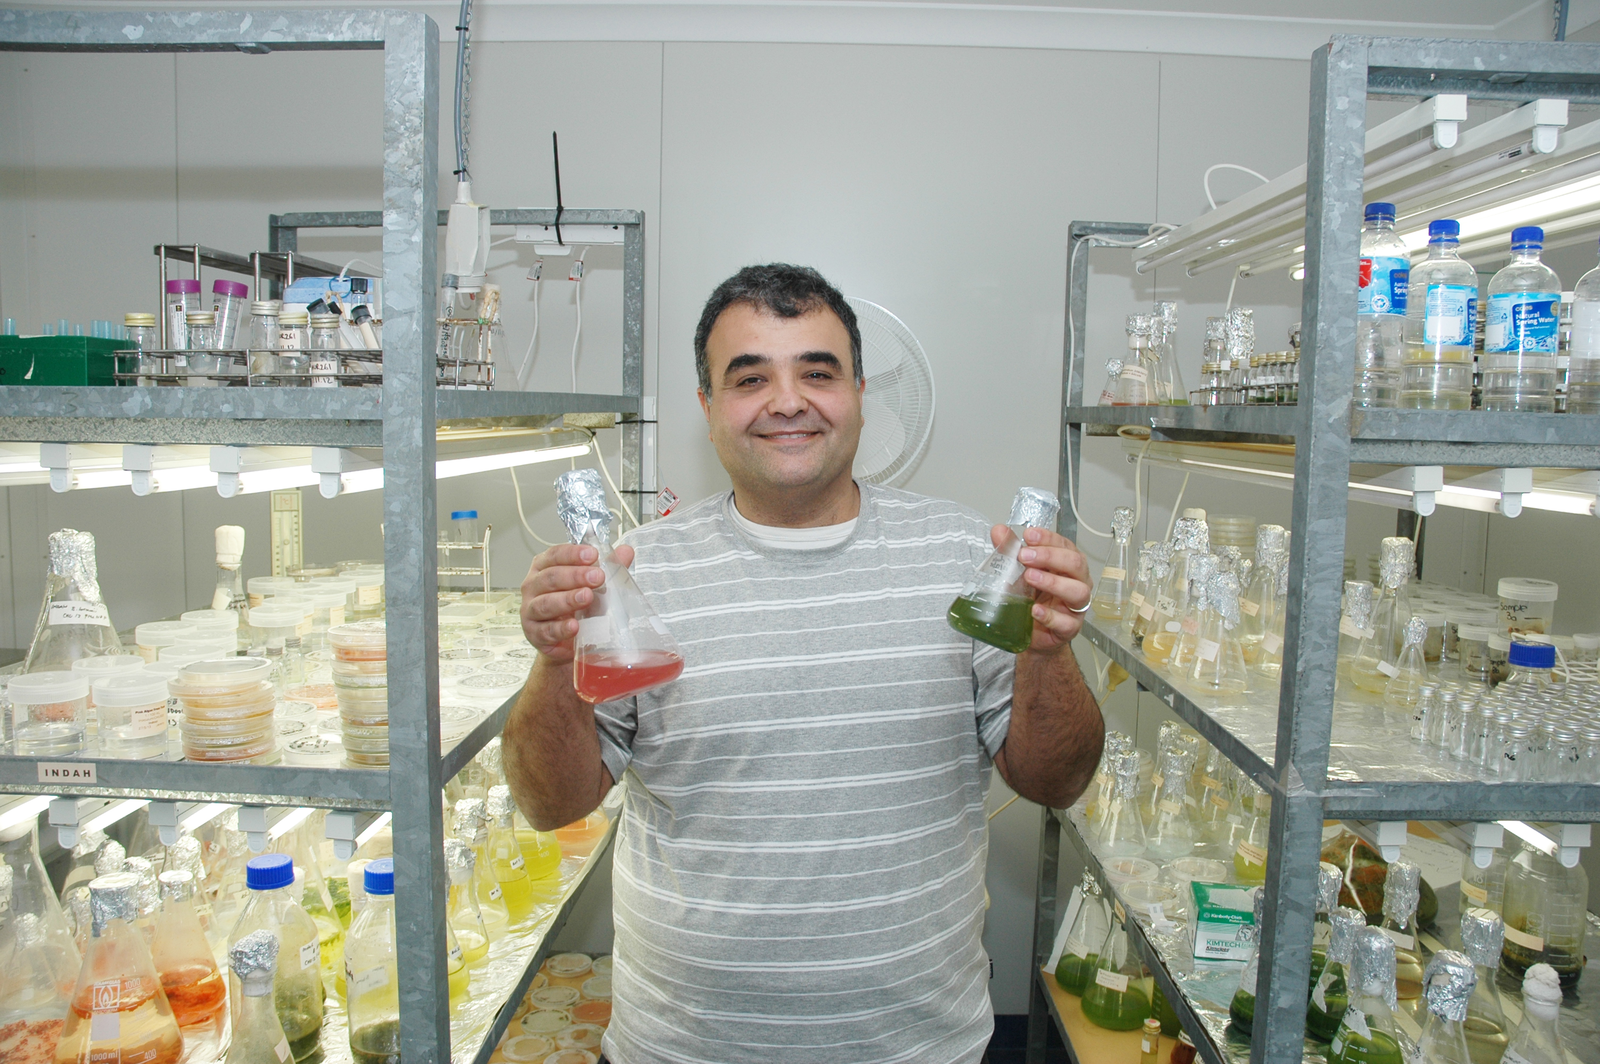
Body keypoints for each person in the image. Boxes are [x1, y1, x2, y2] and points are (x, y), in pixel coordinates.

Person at [505, 263, 1104, 1064]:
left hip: (919, 1046)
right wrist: (553, 666)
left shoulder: (971, 560)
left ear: (859, 392)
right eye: (750, 378)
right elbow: (551, 804)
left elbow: (1056, 780)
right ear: (708, 408)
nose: (788, 401)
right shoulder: (630, 575)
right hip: (682, 1048)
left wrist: (1049, 656)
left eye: (817, 373)